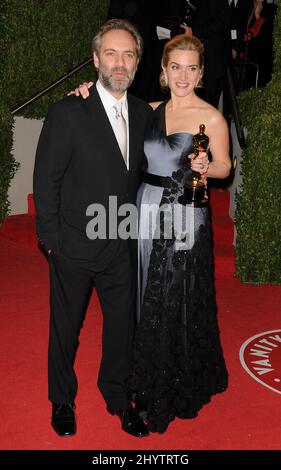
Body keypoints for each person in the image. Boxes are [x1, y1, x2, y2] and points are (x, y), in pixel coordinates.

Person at [74, 33, 231, 433]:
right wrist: (87, 91)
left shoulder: (210, 117)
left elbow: (225, 168)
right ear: (163, 71)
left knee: (172, 294)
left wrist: (205, 168)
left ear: (201, 73)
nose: (182, 75)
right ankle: (138, 371)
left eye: (191, 68)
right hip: (142, 208)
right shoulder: (148, 110)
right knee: (141, 290)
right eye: (174, 66)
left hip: (183, 214)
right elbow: (109, 108)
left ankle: (166, 381)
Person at [33, 18, 154, 438]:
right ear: (96, 59)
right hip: (74, 244)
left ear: (138, 62)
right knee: (66, 327)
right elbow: (45, 178)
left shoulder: (144, 113)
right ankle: (62, 400)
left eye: (128, 54)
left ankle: (118, 397)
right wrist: (52, 240)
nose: (119, 63)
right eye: (111, 53)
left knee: (123, 327)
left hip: (121, 241)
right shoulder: (68, 111)